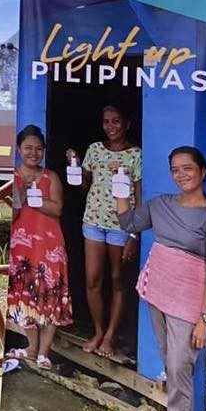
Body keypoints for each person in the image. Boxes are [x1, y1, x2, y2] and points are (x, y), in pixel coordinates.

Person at [117, 146, 206, 411]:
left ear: (203, 171)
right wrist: (120, 186)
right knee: (171, 361)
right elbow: (128, 223)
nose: (181, 175)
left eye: (187, 168)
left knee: (180, 365)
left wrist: (204, 318)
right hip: (158, 290)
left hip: (190, 300)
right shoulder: (160, 205)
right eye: (175, 170)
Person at [65, 105, 143, 358]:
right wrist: (75, 166)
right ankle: (99, 332)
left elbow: (139, 198)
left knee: (118, 280)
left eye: (116, 121)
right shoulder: (95, 149)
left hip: (121, 227)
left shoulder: (136, 155)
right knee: (93, 280)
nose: (111, 126)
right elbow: (84, 187)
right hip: (93, 223)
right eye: (106, 122)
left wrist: (134, 235)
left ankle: (110, 336)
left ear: (127, 124)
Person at [5, 125, 71, 369]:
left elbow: (57, 209)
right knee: (24, 296)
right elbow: (11, 215)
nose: (34, 153)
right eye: (28, 148)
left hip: (49, 246)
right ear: (18, 149)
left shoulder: (50, 177)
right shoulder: (12, 177)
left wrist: (35, 197)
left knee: (50, 295)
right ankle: (31, 348)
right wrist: (22, 190)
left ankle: (44, 353)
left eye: (39, 149)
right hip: (21, 248)